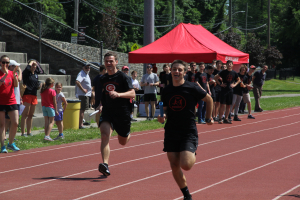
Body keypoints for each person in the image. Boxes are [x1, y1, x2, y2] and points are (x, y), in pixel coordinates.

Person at [157, 60, 213, 200]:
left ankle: (191, 151)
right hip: (171, 131)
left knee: (186, 164)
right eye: (174, 69)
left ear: (185, 72)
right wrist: (162, 115)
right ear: (170, 71)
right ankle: (187, 195)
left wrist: (208, 117)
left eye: (180, 70)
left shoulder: (192, 87)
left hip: (188, 131)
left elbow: (209, 99)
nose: (177, 72)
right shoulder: (167, 90)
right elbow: (163, 106)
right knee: (174, 165)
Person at [97, 52, 135, 176]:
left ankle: (127, 133)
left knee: (122, 141)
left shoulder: (124, 77)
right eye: (106, 61)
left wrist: (119, 94)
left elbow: (132, 94)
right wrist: (101, 105)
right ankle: (105, 165)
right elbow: (103, 95)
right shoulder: (102, 78)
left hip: (122, 112)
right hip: (108, 111)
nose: (108, 63)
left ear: (116, 62)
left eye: (111, 61)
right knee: (104, 135)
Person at [0, 55, 20, 153]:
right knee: (2, 124)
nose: (5, 64)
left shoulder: (12, 73)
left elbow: (15, 85)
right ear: (0, 63)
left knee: (15, 122)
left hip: (11, 101)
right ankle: (3, 146)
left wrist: (14, 75)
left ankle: (11, 143)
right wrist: (5, 75)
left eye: (7, 63)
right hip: (1, 102)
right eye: (3, 62)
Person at [21, 60, 41, 136]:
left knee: (31, 115)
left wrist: (39, 86)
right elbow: (27, 69)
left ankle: (29, 132)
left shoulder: (36, 74)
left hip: (34, 95)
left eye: (35, 65)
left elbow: (36, 84)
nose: (34, 67)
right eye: (32, 65)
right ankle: (23, 132)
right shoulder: (26, 73)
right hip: (27, 95)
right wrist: (31, 62)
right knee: (25, 114)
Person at [4, 60, 22, 141]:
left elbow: (17, 86)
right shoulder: (8, 75)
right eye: (15, 66)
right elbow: (19, 80)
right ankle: (4, 136)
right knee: (7, 120)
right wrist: (20, 71)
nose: (16, 68)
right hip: (10, 100)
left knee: (14, 121)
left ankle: (11, 136)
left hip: (16, 100)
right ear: (10, 66)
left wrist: (20, 97)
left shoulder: (14, 74)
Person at [76, 63, 92, 129]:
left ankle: (81, 122)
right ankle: (80, 125)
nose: (88, 69)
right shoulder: (81, 73)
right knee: (82, 109)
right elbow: (77, 81)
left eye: (89, 67)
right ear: (83, 68)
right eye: (86, 67)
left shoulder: (86, 74)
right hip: (83, 95)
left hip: (86, 94)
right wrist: (83, 89)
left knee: (83, 109)